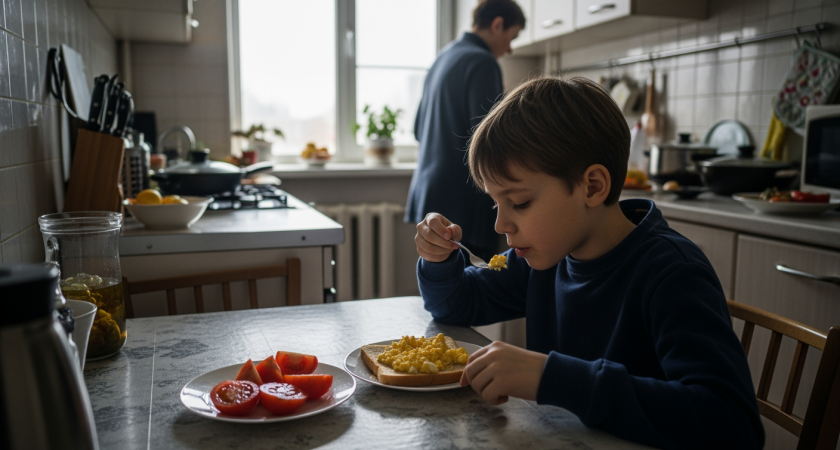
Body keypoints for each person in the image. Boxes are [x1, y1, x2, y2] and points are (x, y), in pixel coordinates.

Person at [413, 77, 764, 449]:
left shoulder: (672, 273)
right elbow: (452, 305)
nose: (500, 224)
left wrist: (552, 378)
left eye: (519, 202)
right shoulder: (545, 257)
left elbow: (731, 425)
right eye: (495, 202)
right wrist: (440, 258)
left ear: (593, 187)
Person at [405, 0, 525, 263]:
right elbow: (492, 140)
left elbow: (417, 130)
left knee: (441, 287)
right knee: (473, 291)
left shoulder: (443, 57)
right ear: (497, 25)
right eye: (511, 37)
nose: (509, 49)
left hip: (431, 195)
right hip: (464, 202)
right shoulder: (482, 62)